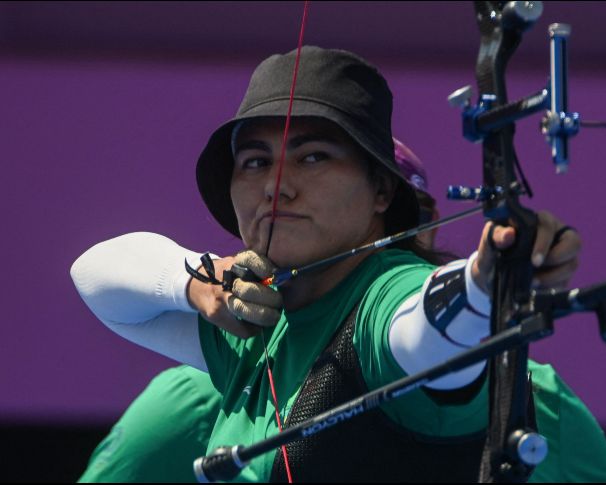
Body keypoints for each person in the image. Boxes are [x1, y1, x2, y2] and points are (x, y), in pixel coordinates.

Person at [71, 46, 606, 482]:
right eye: (255, 161)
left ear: (382, 191)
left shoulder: (383, 296)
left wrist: (485, 283)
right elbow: (94, 276)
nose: (276, 186)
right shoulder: (254, 324)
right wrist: (196, 282)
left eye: (314, 156)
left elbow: (419, 329)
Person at [76, 138, 444, 483]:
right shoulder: (204, 388)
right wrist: (198, 282)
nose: (405, 233)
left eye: (417, 215)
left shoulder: (411, 304)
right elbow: (94, 273)